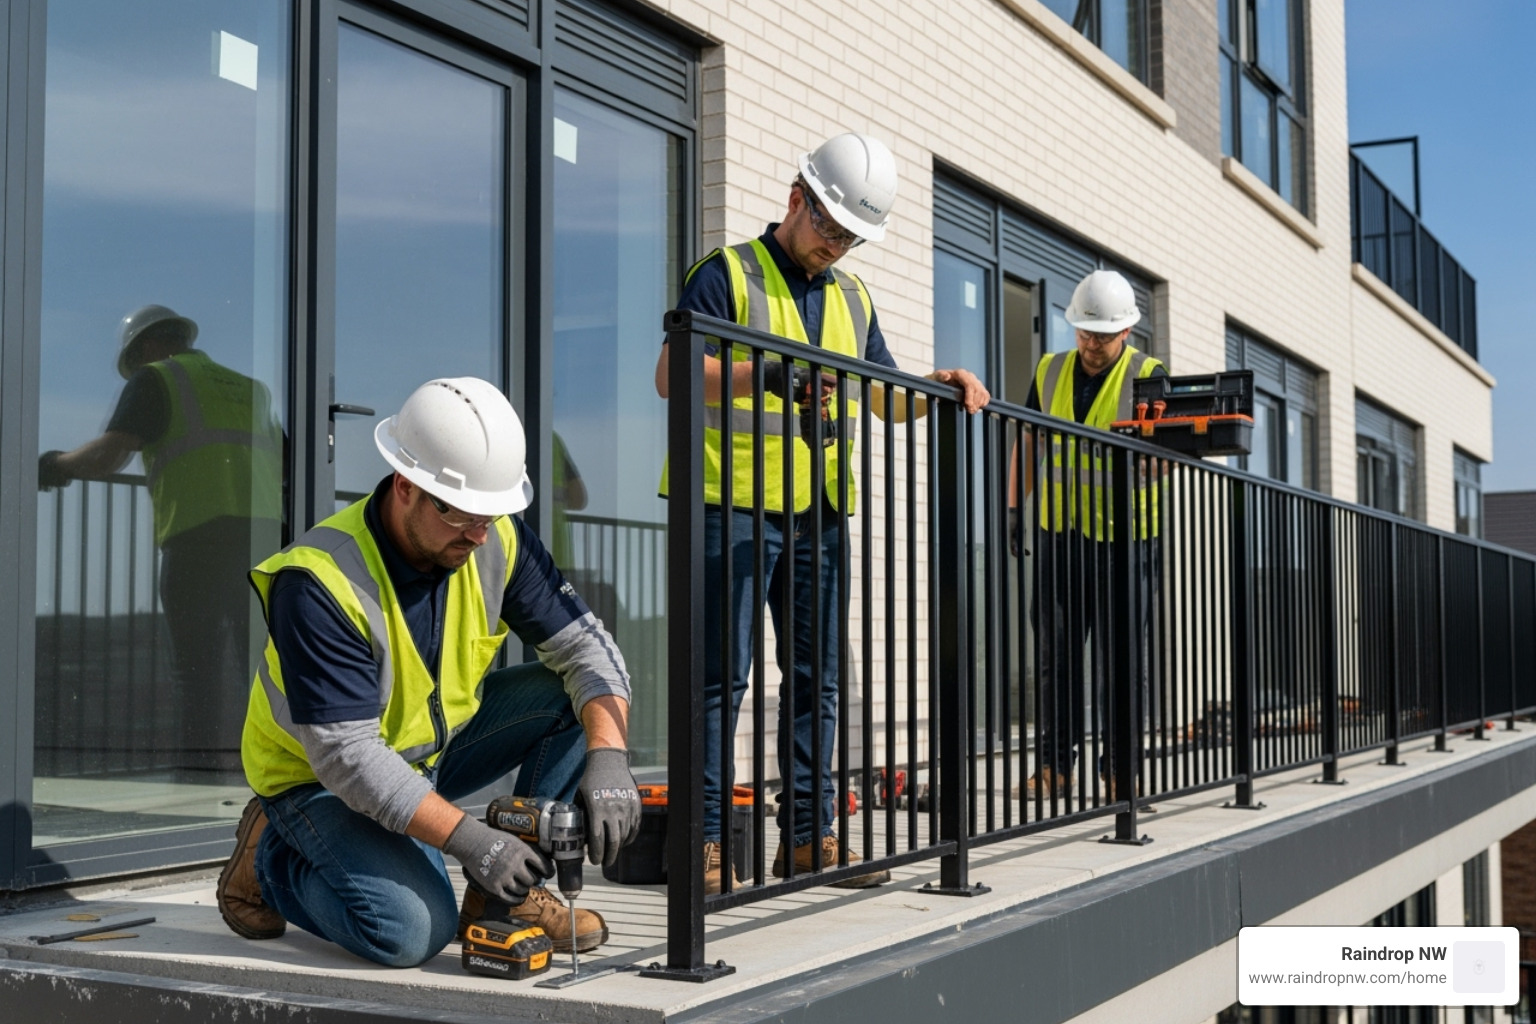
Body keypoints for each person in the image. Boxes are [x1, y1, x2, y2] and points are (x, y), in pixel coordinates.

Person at [653, 133, 989, 894]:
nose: (835, 246)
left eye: (849, 237)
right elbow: (674, 373)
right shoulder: (726, 273)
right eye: (828, 227)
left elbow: (880, 392)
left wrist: (935, 386)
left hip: (818, 515)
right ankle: (705, 846)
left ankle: (808, 840)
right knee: (717, 684)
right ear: (796, 198)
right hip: (726, 506)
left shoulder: (853, 297)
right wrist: (766, 370)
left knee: (816, 681)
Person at [216, 377, 641, 968]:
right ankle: (275, 858)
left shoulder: (495, 539)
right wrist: (470, 841)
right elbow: (351, 759)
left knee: (575, 701)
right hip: (317, 779)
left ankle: (503, 900)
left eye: (491, 516)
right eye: (464, 517)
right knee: (411, 932)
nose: (480, 535)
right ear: (406, 487)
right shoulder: (317, 582)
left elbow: (589, 653)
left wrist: (610, 757)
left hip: (430, 751)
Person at [38, 304, 283, 773]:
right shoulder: (253, 389)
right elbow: (290, 463)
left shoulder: (159, 379)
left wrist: (54, 465)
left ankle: (200, 776)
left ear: (147, 347)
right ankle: (273, 776)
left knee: (197, 672)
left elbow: (108, 457)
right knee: (265, 667)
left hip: (197, 540)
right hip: (263, 543)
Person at [1011, 270, 1166, 801]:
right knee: (1056, 659)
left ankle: (1121, 771)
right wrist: (1014, 507)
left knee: (1121, 663)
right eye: (1084, 332)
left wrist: (1155, 464)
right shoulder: (1051, 369)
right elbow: (1029, 438)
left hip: (1127, 541)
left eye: (1102, 335)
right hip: (1060, 533)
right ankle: (1055, 768)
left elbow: (1164, 455)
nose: (1092, 344)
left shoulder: (1148, 373)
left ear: (1126, 331)